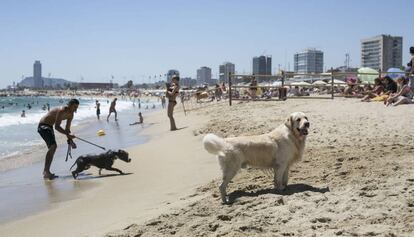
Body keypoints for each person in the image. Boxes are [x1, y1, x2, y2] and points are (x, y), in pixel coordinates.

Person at [38, 99, 78, 179]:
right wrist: (68, 135)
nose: (76, 109)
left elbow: (67, 129)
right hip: (43, 126)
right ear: (69, 105)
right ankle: (46, 172)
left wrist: (71, 141)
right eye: (74, 107)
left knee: (53, 147)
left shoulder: (71, 115)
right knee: (53, 146)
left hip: (49, 127)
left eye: (77, 107)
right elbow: (57, 127)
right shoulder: (62, 110)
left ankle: (46, 171)